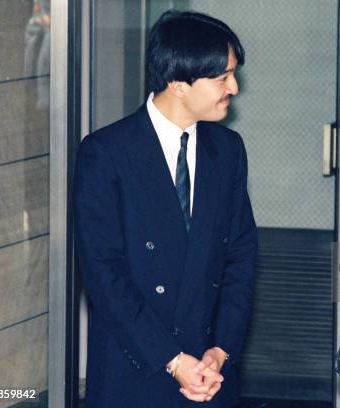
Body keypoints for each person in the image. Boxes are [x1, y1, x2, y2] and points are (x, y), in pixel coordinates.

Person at [74, 10, 257, 407]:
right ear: (178, 82)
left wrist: (220, 351)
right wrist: (172, 360)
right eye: (222, 76)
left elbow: (240, 258)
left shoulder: (228, 150)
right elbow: (104, 274)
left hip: (211, 375)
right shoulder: (106, 153)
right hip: (138, 366)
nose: (235, 87)